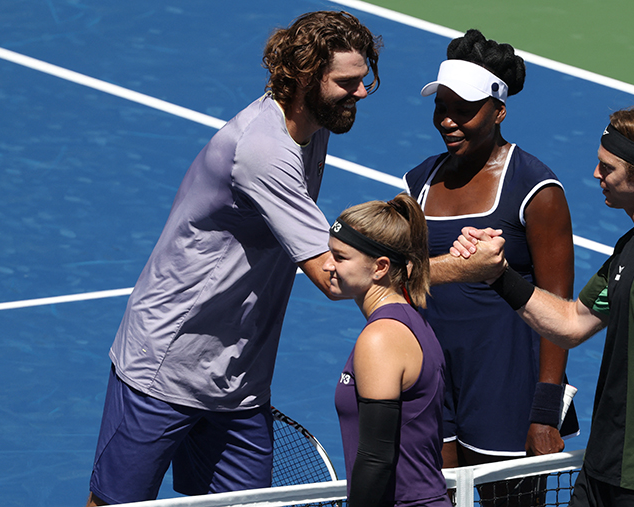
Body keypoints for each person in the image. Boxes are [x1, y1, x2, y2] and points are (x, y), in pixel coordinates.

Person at [85, 11, 381, 505]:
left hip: (239, 378)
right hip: (166, 366)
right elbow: (333, 278)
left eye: (364, 78)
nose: (362, 92)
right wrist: (452, 271)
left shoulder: (315, 126)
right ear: (305, 77)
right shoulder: (264, 150)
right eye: (347, 82)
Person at [456, 105, 634, 507]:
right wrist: (498, 274)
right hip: (605, 465)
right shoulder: (631, 246)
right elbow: (572, 323)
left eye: (608, 167)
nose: (596, 174)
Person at [402, 29, 578, 504]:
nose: (448, 120)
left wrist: (545, 410)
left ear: (498, 111)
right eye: (441, 107)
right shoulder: (419, 182)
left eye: (464, 109)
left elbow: (559, 310)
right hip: (432, 379)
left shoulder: (536, 189)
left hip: (505, 385)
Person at [328, 194, 451, 507]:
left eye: (340, 257)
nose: (327, 265)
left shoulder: (381, 337)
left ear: (380, 267)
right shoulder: (412, 321)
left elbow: (376, 458)